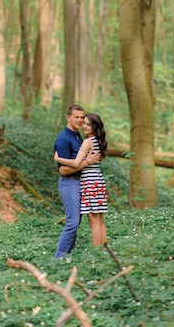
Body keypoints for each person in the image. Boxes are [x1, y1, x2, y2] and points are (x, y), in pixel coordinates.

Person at [53, 105, 101, 259]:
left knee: (76, 222)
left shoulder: (79, 136)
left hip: (82, 182)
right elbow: (63, 170)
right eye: (76, 117)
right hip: (69, 183)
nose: (80, 120)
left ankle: (69, 254)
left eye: (82, 117)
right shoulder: (63, 139)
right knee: (72, 222)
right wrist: (87, 162)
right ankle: (58, 258)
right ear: (68, 118)